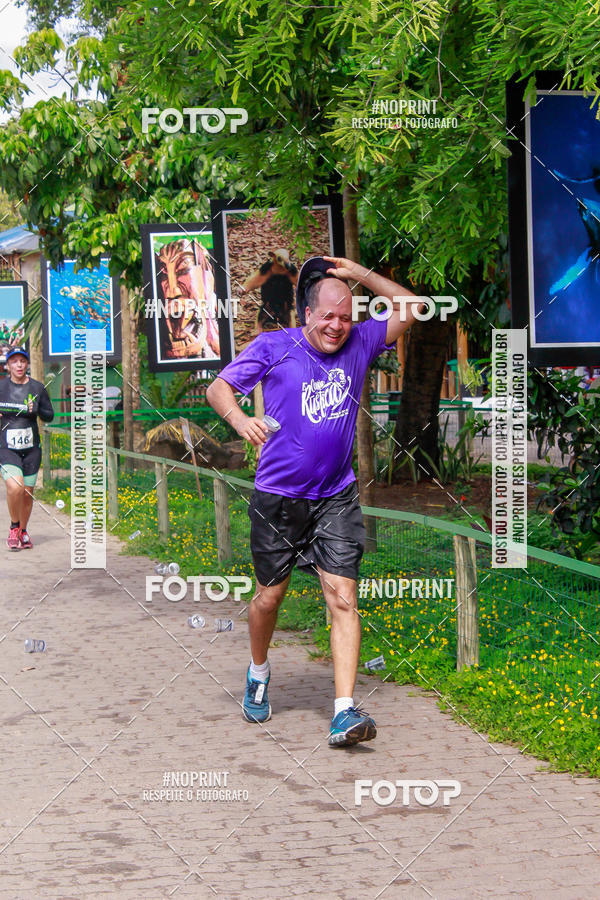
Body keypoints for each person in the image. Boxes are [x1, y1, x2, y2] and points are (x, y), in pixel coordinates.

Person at [207, 255, 429, 747]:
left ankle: (345, 712)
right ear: (307, 314)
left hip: (336, 496)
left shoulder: (362, 342)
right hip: (279, 498)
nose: (337, 326)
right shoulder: (273, 345)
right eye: (328, 316)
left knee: (343, 598)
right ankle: (259, 670)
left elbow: (412, 307)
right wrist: (242, 422)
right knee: (270, 596)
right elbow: (219, 388)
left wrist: (357, 274)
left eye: (346, 316)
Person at [0, 347, 55, 550]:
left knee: (27, 493)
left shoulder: (37, 388)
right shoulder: (1, 387)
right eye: (14, 361)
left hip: (32, 449)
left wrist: (37, 409)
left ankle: (23, 531)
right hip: (6, 447)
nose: (19, 365)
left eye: (22, 361)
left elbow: (50, 415)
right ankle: (14, 526)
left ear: (27, 364)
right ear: (8, 366)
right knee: (16, 487)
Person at [240, 249, 298, 334]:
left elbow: (299, 282)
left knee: (290, 313)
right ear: (273, 257)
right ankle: (258, 328)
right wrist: (244, 288)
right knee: (262, 312)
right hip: (269, 303)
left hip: (285, 304)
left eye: (287, 259)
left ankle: (293, 332)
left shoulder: (290, 270)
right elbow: (256, 279)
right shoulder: (267, 269)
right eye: (280, 259)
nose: (286, 264)